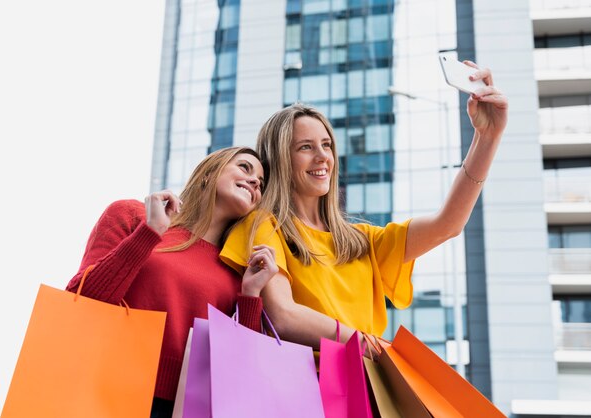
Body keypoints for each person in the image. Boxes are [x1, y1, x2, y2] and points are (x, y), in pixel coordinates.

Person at [220, 62, 508, 349]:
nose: (323, 157)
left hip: (363, 387)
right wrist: (370, 345)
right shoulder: (265, 226)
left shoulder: (362, 241)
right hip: (308, 387)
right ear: (280, 159)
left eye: (327, 145)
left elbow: (448, 225)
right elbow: (283, 316)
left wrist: (487, 138)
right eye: (305, 147)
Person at [66, 146, 278, 417]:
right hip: (105, 387)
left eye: (259, 184)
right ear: (208, 173)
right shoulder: (134, 216)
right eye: (245, 168)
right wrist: (149, 233)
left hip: (186, 406)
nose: (254, 182)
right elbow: (81, 301)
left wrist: (251, 294)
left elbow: (240, 370)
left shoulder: (239, 269)